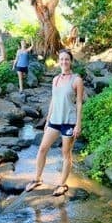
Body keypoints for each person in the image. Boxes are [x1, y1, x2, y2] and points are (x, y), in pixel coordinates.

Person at [26, 49, 84, 196]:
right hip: (54, 120)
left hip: (69, 122)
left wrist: (78, 124)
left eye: (67, 59)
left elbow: (79, 103)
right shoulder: (55, 79)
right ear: (59, 61)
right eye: (61, 59)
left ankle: (62, 184)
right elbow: (53, 100)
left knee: (66, 153)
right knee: (42, 148)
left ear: (71, 61)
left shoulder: (76, 80)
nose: (64, 62)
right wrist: (47, 119)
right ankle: (37, 178)